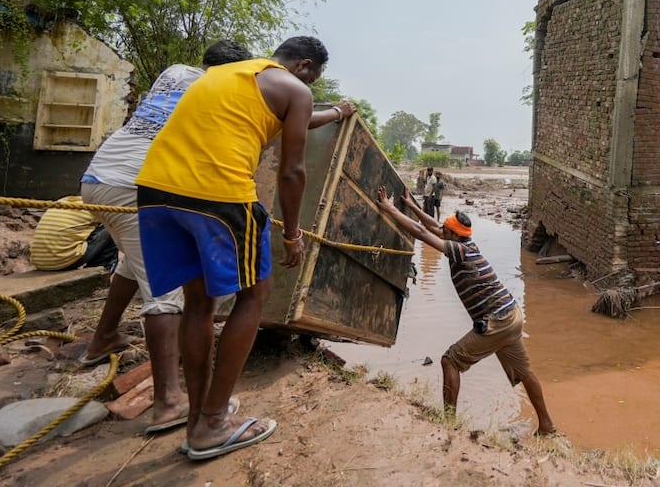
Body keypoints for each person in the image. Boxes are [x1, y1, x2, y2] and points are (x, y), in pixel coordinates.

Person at [135, 36, 341, 461]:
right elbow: (292, 171)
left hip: (155, 190)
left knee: (199, 303)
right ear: (304, 67)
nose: (312, 86)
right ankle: (213, 424)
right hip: (219, 197)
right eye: (315, 78)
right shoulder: (296, 90)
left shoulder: (222, 74)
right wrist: (293, 234)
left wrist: (338, 112)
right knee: (252, 296)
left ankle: (199, 418)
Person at [78, 40, 253, 435]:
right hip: (133, 187)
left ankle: (103, 338)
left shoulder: (173, 72)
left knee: (133, 260)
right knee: (167, 295)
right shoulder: (214, 90)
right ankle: (169, 402)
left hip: (98, 178)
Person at [376, 186, 557, 436]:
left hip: (497, 320)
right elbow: (432, 226)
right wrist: (413, 206)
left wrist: (390, 208)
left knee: (450, 361)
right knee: (525, 373)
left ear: (454, 236)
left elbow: (420, 231)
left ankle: (449, 424)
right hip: (511, 315)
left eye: (445, 232)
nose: (441, 232)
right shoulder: (464, 243)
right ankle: (547, 425)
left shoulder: (459, 252)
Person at [30, 196, 117, 272]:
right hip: (60, 261)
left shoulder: (62, 201)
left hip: (39, 261)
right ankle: (100, 272)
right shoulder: (94, 206)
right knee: (112, 229)